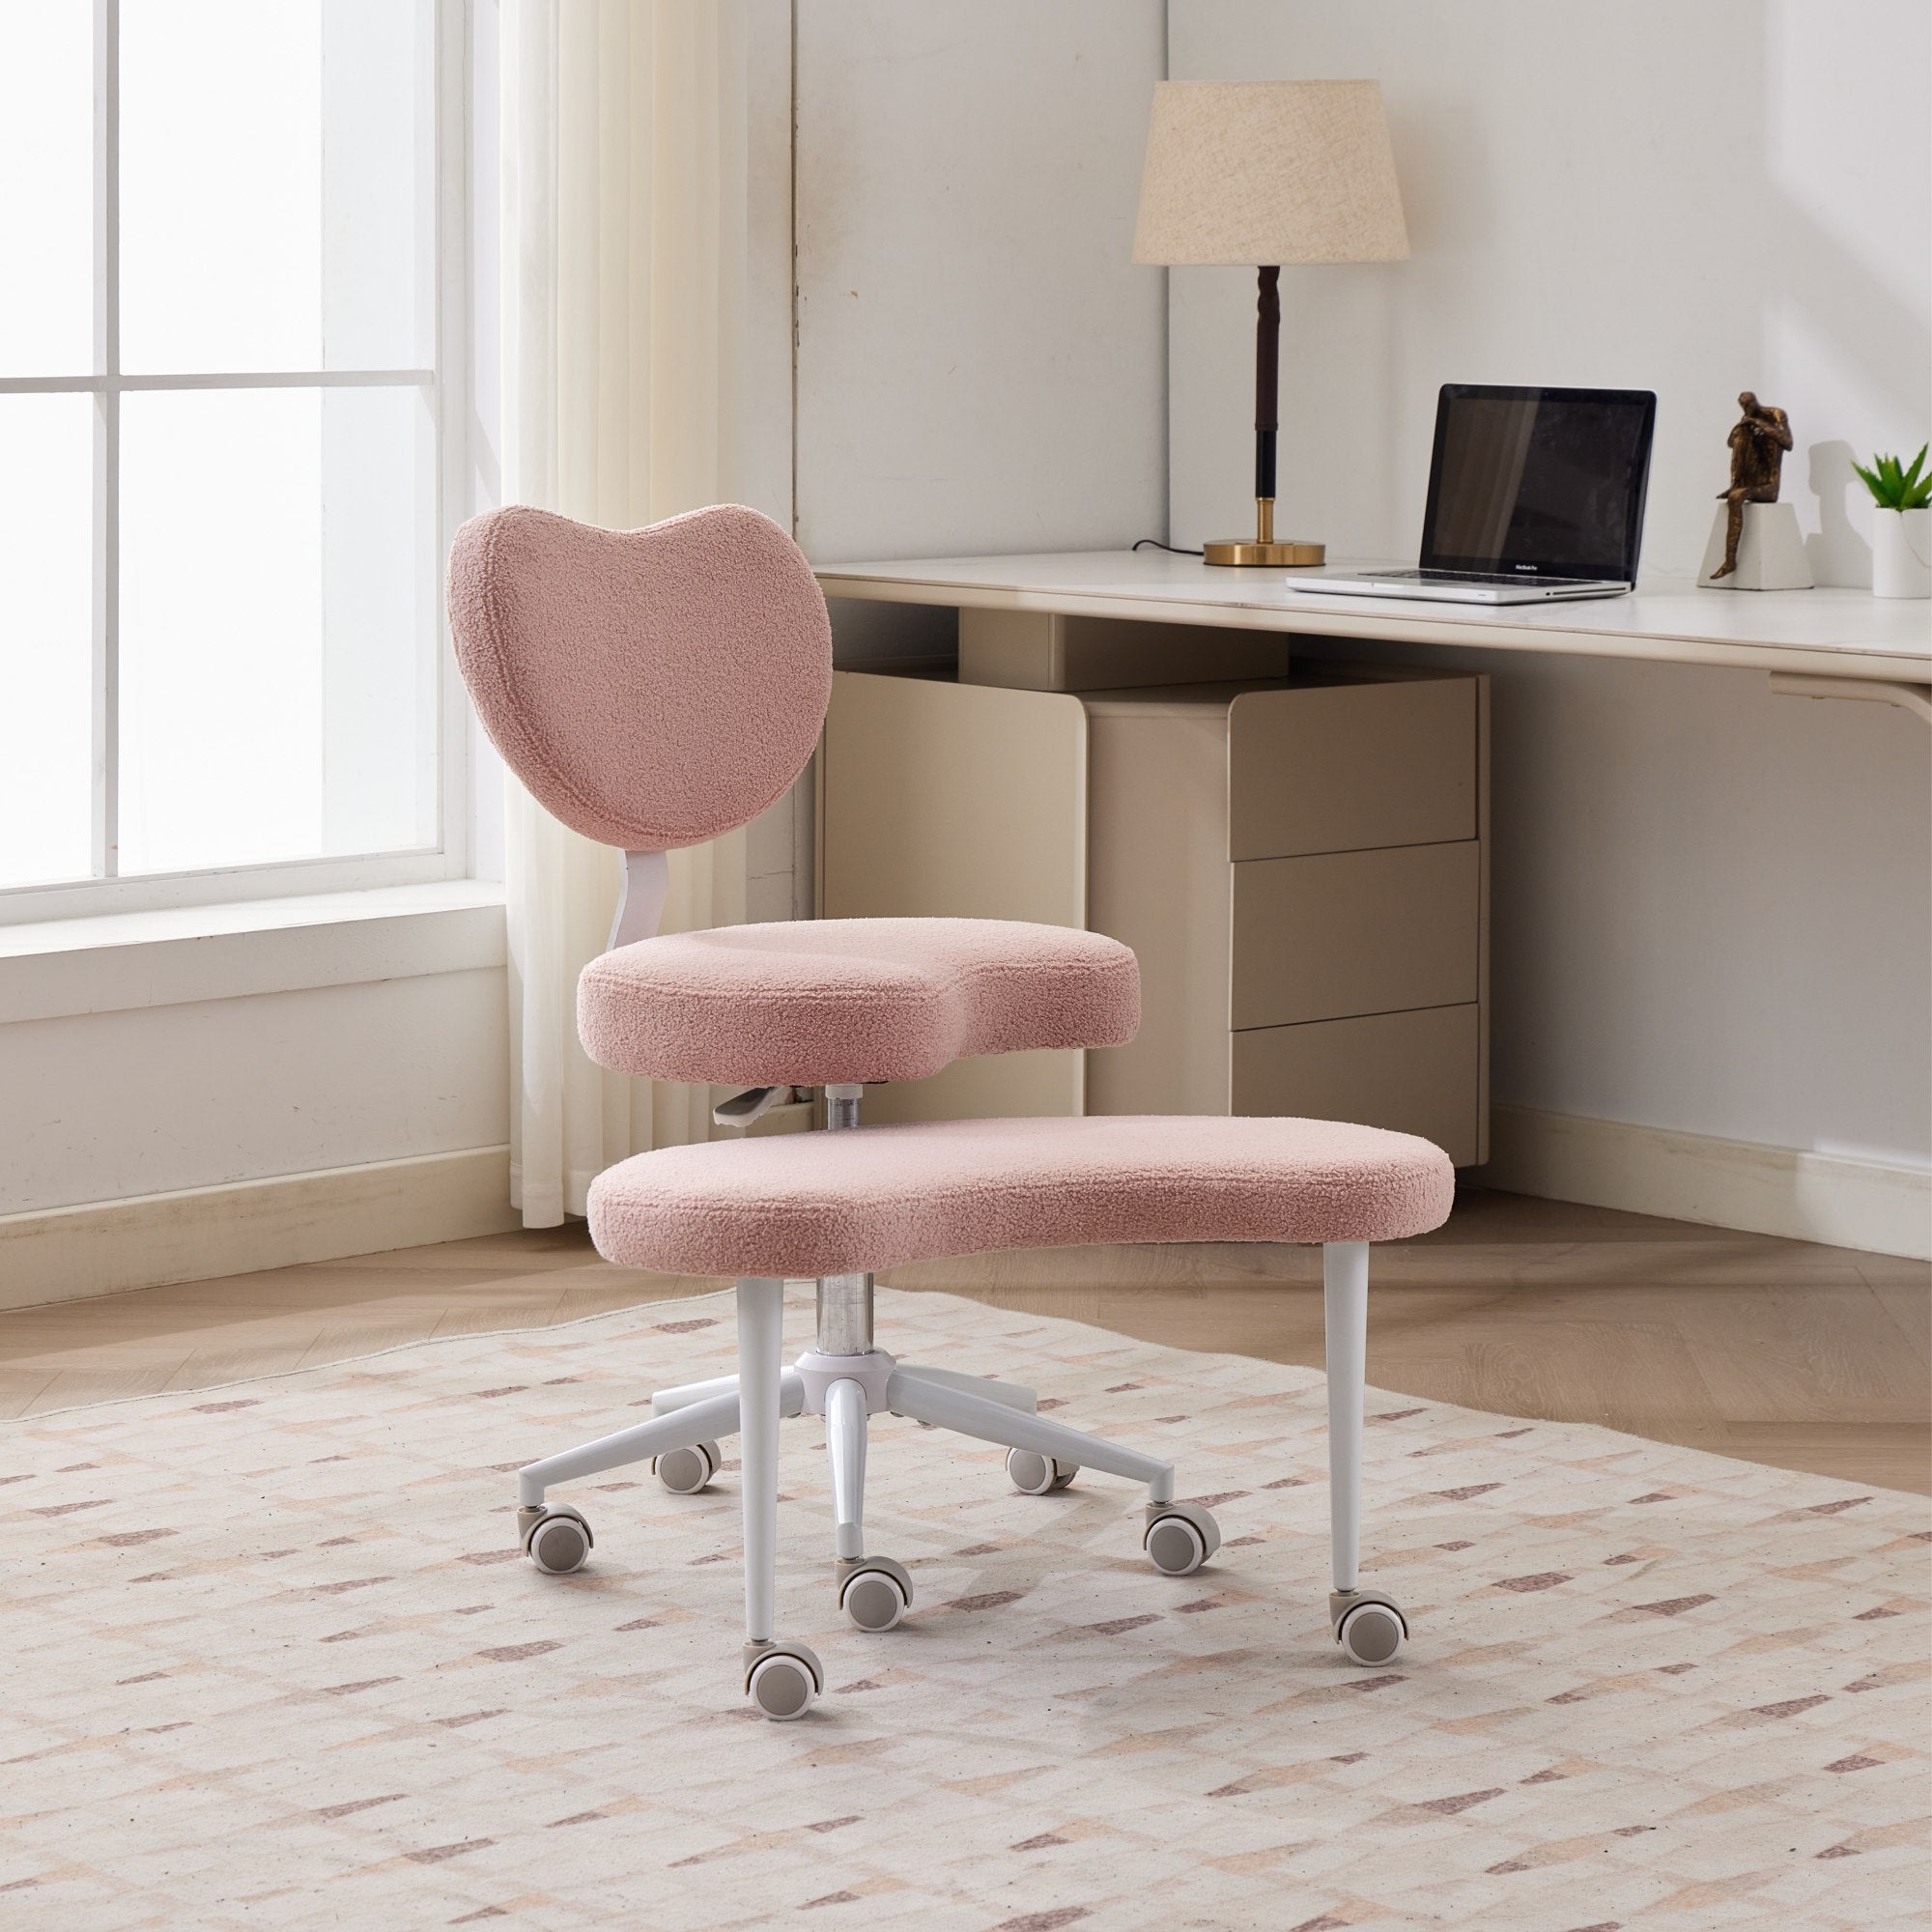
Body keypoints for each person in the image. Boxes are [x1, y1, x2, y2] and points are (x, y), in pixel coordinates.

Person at [1713, 391, 1794, 580]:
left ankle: (1730, 561)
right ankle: (1736, 484)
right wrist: (1740, 428)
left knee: (1736, 497)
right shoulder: (1747, 420)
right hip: (1750, 480)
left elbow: (1787, 442)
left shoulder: (1775, 415)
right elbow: (1730, 443)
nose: (1746, 409)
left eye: (1748, 405)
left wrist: (1758, 424)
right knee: (1741, 437)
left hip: (1768, 486)